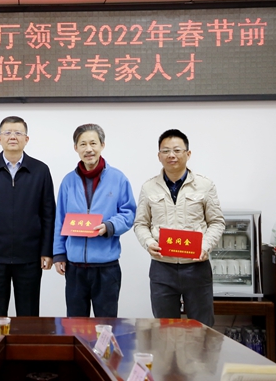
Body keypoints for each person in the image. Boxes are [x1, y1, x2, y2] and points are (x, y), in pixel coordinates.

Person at [133, 129, 225, 327]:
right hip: (162, 267)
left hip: (196, 266)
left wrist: (205, 246)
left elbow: (217, 222)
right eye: (165, 151)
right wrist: (148, 242)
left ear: (188, 154)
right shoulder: (149, 187)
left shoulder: (205, 185)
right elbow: (140, 223)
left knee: (202, 328)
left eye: (177, 150)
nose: (171, 155)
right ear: (159, 156)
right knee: (166, 329)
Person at [0, 116, 56, 317]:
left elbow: (48, 213)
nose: (13, 137)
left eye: (18, 133)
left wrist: (47, 251)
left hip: (30, 256)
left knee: (29, 315)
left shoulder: (40, 170)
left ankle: (27, 340)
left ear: (27, 139)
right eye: (7, 133)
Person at [53, 123, 136, 317]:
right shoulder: (68, 181)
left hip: (106, 267)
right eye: (83, 144)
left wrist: (109, 226)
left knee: (106, 325)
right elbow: (60, 219)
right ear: (76, 148)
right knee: (75, 324)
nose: (88, 149)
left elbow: (129, 213)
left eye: (93, 143)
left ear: (102, 145)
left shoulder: (118, 178)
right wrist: (59, 253)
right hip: (75, 267)